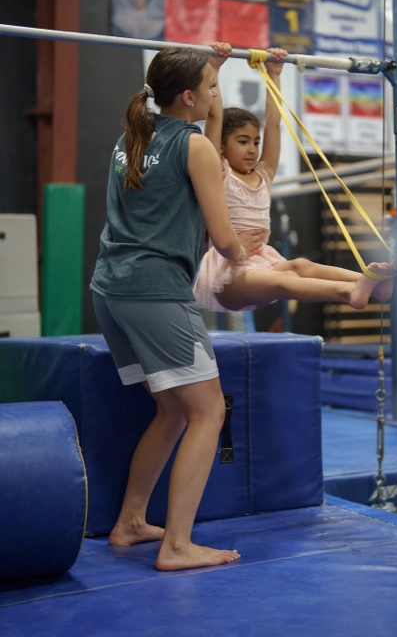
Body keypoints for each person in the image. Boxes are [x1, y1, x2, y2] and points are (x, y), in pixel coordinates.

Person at [90, 45, 265, 572]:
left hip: (110, 289)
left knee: (171, 410)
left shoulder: (133, 137)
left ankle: (130, 522)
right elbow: (221, 236)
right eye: (211, 89)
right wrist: (246, 247)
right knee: (208, 411)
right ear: (189, 97)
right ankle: (177, 545)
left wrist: (216, 67)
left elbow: (203, 128)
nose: (218, 98)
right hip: (155, 291)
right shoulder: (195, 147)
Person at [193, 45, 397, 315]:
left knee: (301, 265)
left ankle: (376, 285)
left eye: (255, 142)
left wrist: (274, 74)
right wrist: (214, 68)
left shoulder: (263, 175)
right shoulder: (220, 173)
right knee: (287, 281)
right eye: (242, 142)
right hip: (228, 274)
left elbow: (274, 124)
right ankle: (350, 292)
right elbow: (214, 116)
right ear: (219, 147)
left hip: (262, 263)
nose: (253, 149)